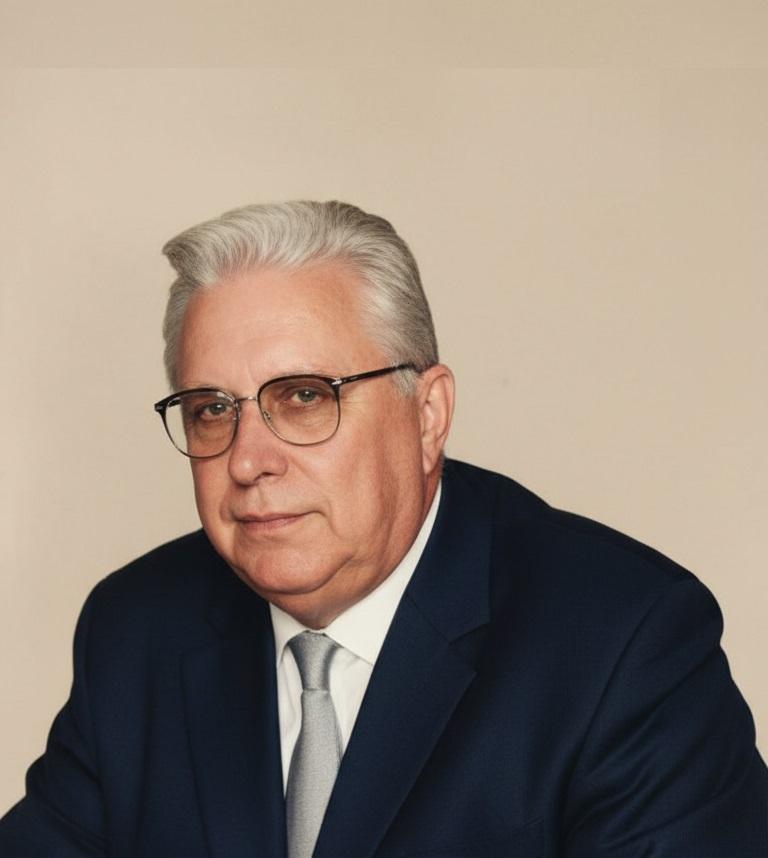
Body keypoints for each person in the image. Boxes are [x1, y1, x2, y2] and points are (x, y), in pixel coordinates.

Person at [1, 201, 765, 857]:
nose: (249, 460)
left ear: (427, 415)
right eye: (211, 409)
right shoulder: (137, 628)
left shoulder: (624, 642)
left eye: (304, 396)